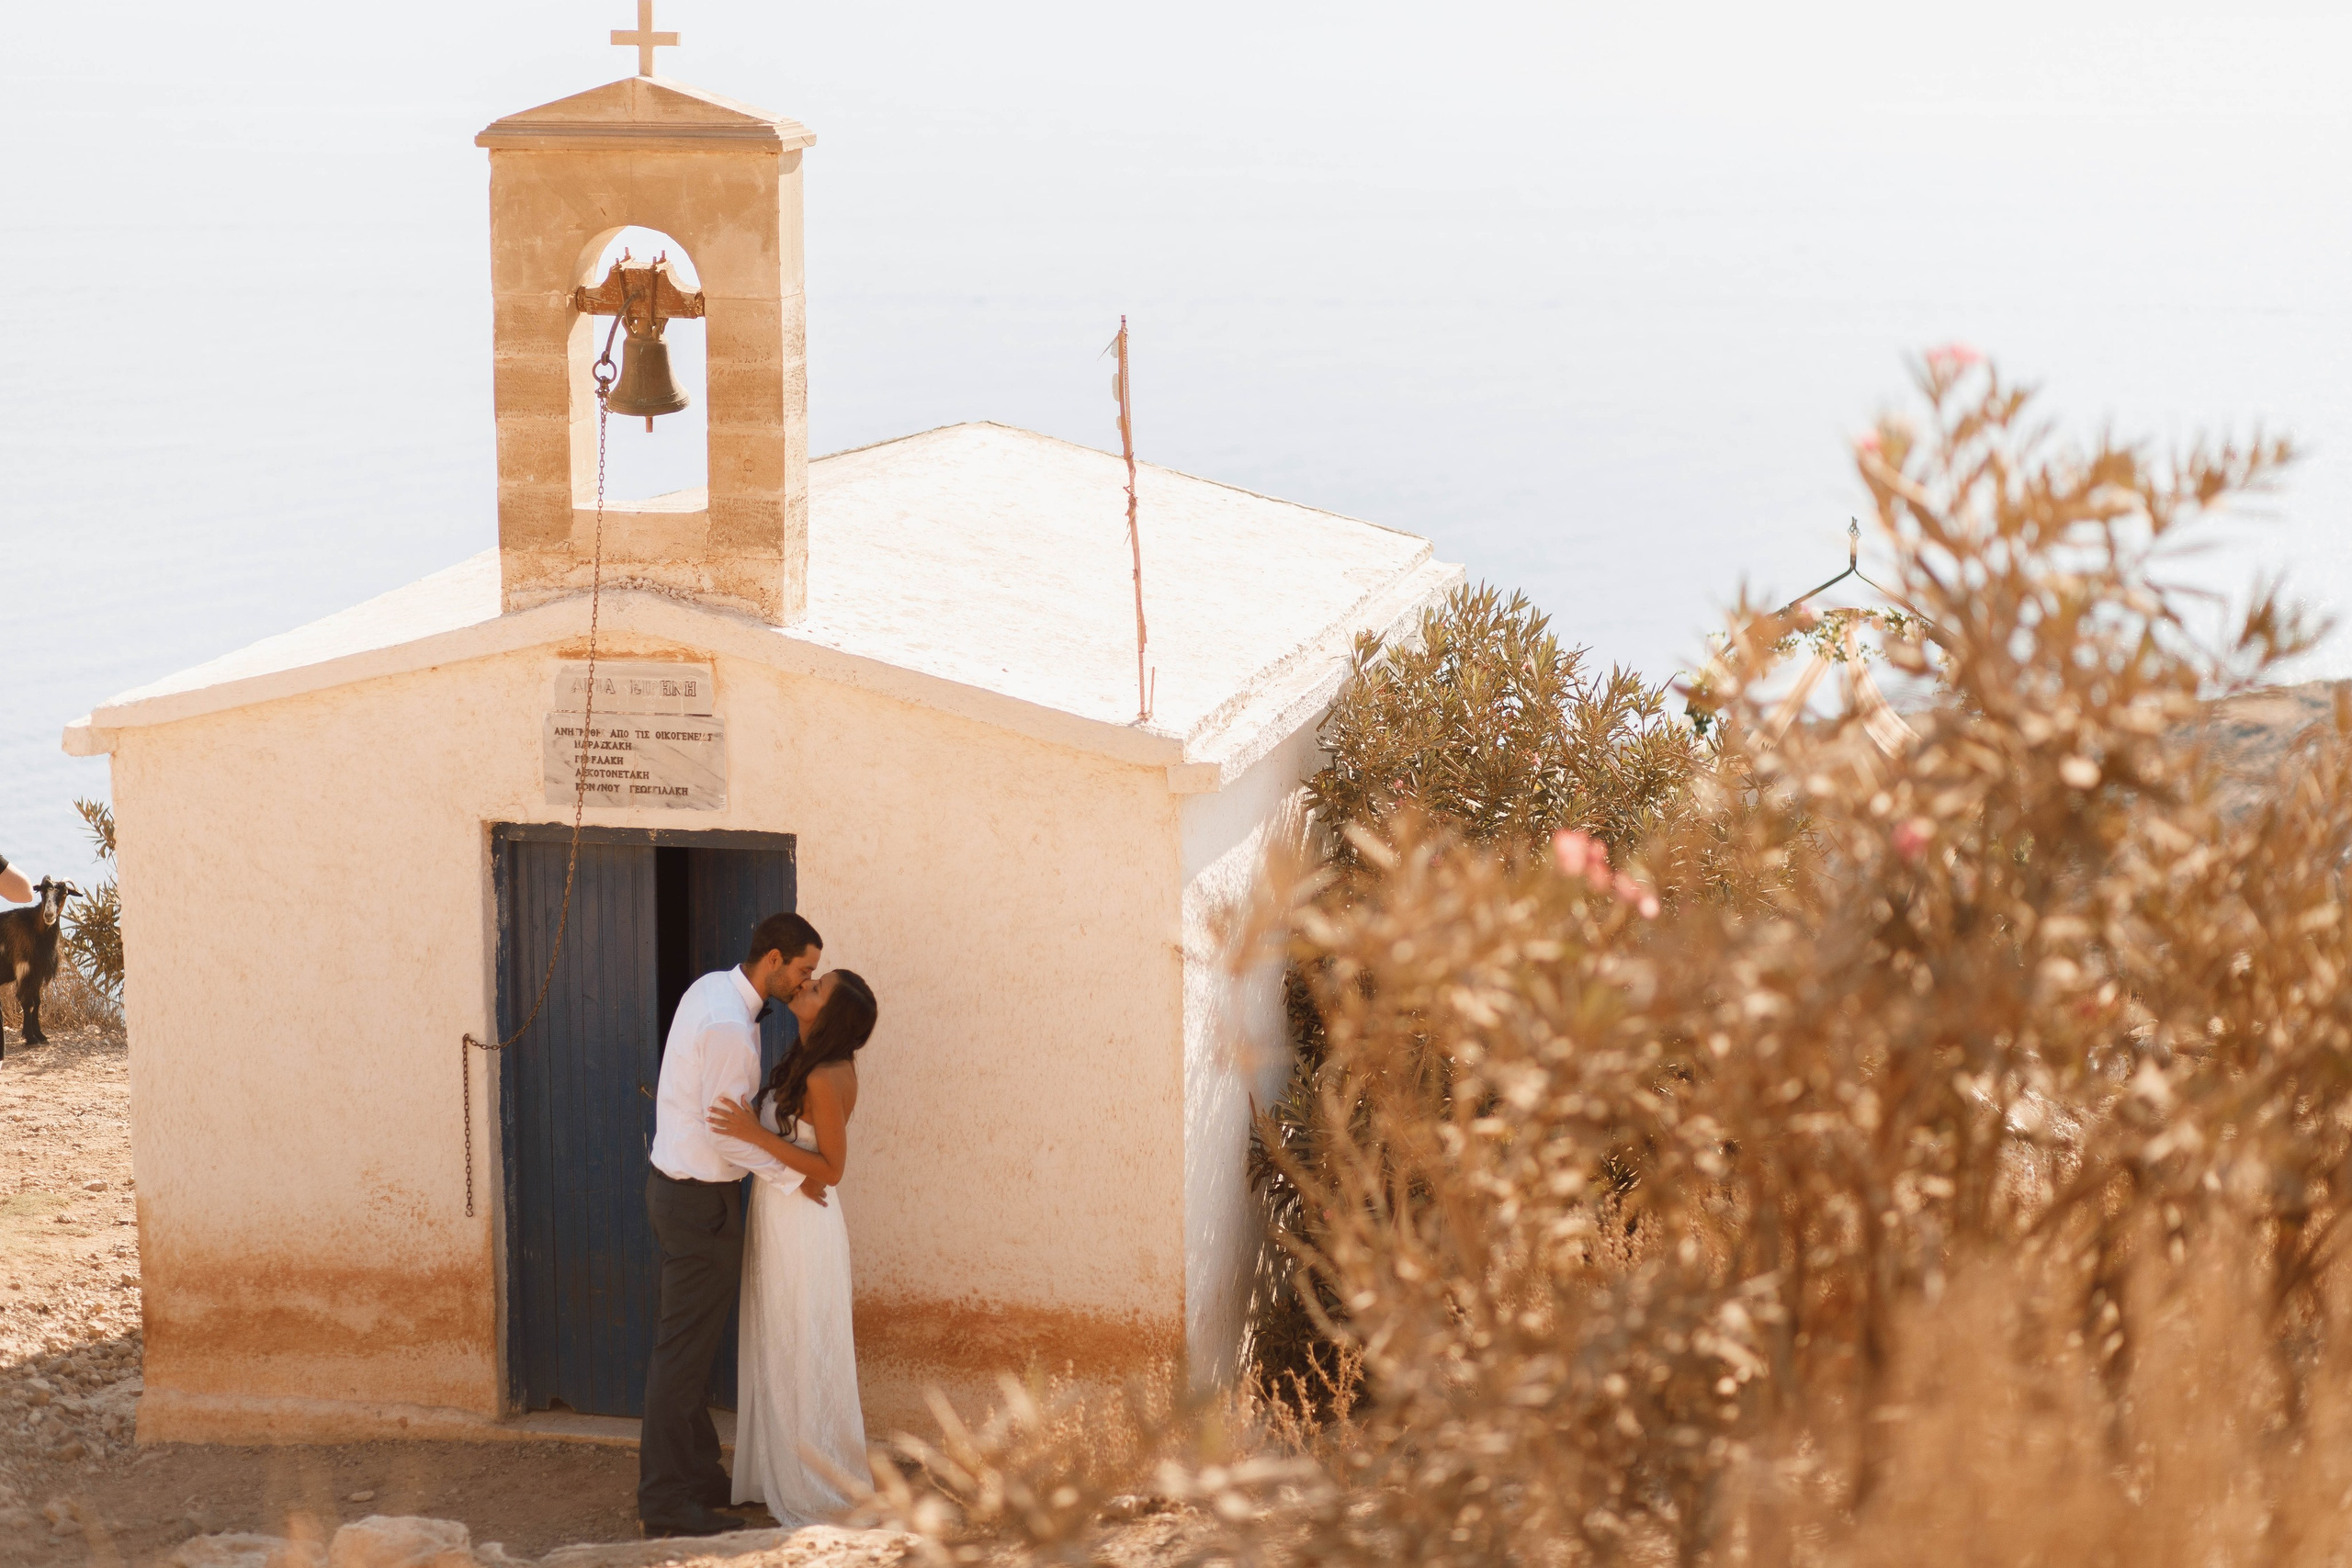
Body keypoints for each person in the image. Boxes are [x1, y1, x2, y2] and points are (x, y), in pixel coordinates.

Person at [639, 911, 822, 1539]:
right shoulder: (727, 1027)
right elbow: (729, 1132)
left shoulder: (711, 989)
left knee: (686, 1346)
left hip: (683, 1195)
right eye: (802, 971)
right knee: (682, 1354)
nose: (805, 984)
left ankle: (699, 1475)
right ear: (773, 959)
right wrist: (794, 1177)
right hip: (699, 1203)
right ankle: (664, 1503)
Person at [707, 966, 879, 1524]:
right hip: (777, 1217)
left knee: (801, 1343)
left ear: (831, 1015)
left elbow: (831, 1170)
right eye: (813, 979)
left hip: (805, 1226)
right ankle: (773, 1468)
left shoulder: (828, 1077)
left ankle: (814, 1482)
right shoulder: (805, 1060)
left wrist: (753, 1134)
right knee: (776, 1338)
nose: (805, 986)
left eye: (818, 988)